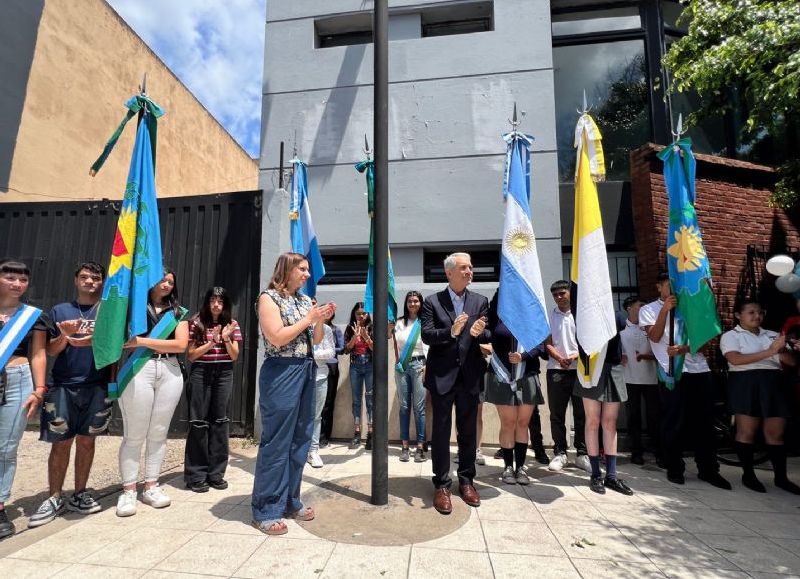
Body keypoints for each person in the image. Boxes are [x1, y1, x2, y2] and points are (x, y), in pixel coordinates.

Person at [251, 252, 335, 535]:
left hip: (307, 369)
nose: (307, 274)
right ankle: (266, 509)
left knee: (300, 439)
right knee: (276, 442)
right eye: (302, 269)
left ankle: (290, 500)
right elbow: (276, 336)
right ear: (286, 270)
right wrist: (309, 317)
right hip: (281, 371)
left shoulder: (303, 300)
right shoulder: (268, 298)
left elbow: (317, 339)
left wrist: (319, 319)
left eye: (307, 270)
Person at [28, 262, 111, 528]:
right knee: (61, 443)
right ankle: (54, 496)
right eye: (84, 277)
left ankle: (80, 492)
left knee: (87, 442)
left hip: (97, 385)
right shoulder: (59, 310)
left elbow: (117, 347)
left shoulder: (109, 311)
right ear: (76, 280)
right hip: (63, 385)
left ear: (101, 282)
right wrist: (64, 335)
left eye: (95, 278)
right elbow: (50, 350)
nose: (90, 282)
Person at [639, 272, 730, 489]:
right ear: (658, 286)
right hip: (672, 373)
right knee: (674, 422)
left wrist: (685, 348)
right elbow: (654, 336)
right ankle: (674, 467)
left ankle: (708, 469)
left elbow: (705, 340)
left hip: (699, 370)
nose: (672, 289)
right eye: (668, 285)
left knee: (704, 422)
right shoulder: (648, 309)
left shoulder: (689, 306)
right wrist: (665, 310)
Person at [116, 267, 190, 517]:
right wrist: (144, 344)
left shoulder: (178, 313)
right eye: (162, 280)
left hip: (170, 369)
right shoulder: (133, 310)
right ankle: (128, 490)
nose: (167, 284)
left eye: (171, 281)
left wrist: (143, 341)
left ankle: (151, 485)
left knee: (159, 432)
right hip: (139, 368)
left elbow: (180, 345)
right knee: (134, 434)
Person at [421, 252, 490, 515]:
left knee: (468, 432)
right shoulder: (432, 302)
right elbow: (427, 335)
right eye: (464, 267)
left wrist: (479, 332)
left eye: (471, 267)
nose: (469, 271)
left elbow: (488, 330)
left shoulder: (480, 301)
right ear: (449, 272)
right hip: (442, 376)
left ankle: (467, 481)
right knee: (440, 432)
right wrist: (451, 332)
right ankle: (441, 484)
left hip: (470, 375)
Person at [720, 301, 800, 494]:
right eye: (751, 312)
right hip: (745, 382)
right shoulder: (731, 336)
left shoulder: (773, 335)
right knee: (746, 431)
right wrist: (770, 351)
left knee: (776, 432)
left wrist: (782, 350)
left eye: (760, 312)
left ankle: (781, 478)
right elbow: (735, 359)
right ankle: (748, 474)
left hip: (773, 382)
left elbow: (791, 362)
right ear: (738, 315)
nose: (757, 316)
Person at [0, 259, 48, 540]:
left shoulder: (32, 315)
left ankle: (1, 504)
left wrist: (39, 389)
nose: (17, 284)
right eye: (10, 278)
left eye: (23, 280)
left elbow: (39, 353)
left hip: (18, 379)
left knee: (6, 448)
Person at [184, 287, 243, 493]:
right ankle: (196, 475)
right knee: (198, 421)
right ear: (207, 303)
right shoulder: (196, 322)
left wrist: (225, 338)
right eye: (212, 301)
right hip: (201, 371)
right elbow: (191, 355)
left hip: (224, 372)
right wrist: (212, 342)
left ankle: (216, 474)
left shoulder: (232, 324)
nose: (216, 305)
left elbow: (234, 355)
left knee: (220, 421)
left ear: (225, 304)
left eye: (220, 301)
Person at [483, 292, 546, 485]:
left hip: (526, 374)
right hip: (501, 375)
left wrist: (524, 356)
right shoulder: (496, 316)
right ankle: (508, 467)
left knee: (522, 423)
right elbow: (485, 334)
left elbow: (541, 346)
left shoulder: (531, 315)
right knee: (508, 422)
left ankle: (521, 467)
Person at [573, 326, 633, 495]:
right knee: (592, 421)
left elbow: (619, 323)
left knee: (610, 422)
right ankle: (595, 474)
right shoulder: (585, 313)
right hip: (590, 367)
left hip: (613, 367)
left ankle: (612, 475)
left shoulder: (614, 314)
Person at [545, 280, 589, 473]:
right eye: (555, 295)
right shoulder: (550, 317)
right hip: (556, 370)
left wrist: (574, 356)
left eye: (562, 293)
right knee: (557, 414)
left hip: (579, 370)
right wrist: (559, 357)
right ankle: (560, 452)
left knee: (582, 414)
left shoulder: (581, 315)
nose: (559, 297)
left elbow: (589, 342)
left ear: (570, 293)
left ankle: (582, 453)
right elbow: (546, 343)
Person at [620, 296, 660, 466]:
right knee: (633, 417)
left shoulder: (650, 328)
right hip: (629, 379)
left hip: (651, 378)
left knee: (655, 416)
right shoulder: (621, 330)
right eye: (640, 305)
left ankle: (659, 451)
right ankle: (636, 452)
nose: (644, 308)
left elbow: (661, 352)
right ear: (629, 307)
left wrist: (646, 356)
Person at [392, 291, 428, 463]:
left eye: (416, 301)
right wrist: (397, 364)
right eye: (409, 301)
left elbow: (431, 347)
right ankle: (405, 446)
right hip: (402, 368)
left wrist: (427, 366)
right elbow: (394, 344)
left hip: (420, 365)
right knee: (404, 407)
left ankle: (420, 447)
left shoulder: (425, 322)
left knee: (419, 408)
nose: (413, 304)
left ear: (420, 303)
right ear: (405, 304)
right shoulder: (399, 322)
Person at [309, 298, 335, 468]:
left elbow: (331, 351)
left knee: (316, 415)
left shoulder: (326, 329)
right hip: (300, 377)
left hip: (320, 376)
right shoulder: (299, 328)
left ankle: (313, 450)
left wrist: (313, 355)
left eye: (314, 304)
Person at [344, 302, 374, 450]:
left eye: (364, 313)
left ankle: (371, 434)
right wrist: (354, 338)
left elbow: (377, 349)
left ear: (368, 314)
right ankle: (356, 433)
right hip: (355, 365)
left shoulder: (373, 327)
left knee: (370, 400)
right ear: (354, 314)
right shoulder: (350, 328)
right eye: (358, 313)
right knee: (356, 400)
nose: (361, 316)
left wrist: (366, 337)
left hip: (370, 366)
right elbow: (346, 349)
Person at [319, 309, 344, 448]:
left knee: (328, 403)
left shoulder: (335, 330)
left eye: (329, 312)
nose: (325, 314)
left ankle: (324, 437)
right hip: (315, 366)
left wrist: (329, 349)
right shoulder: (313, 327)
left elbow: (342, 348)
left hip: (330, 367)